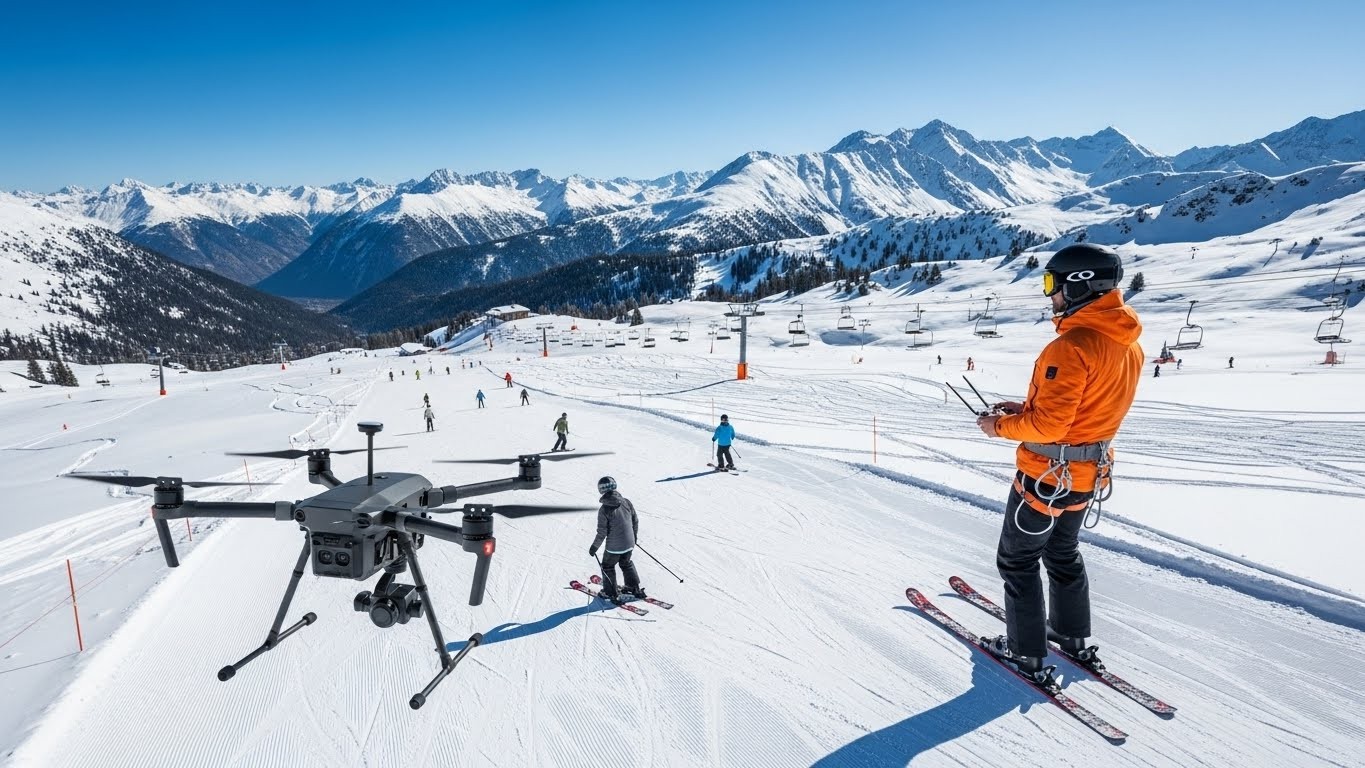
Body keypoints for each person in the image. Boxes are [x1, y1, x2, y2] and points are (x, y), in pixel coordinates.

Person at [973, 243, 1143, 684]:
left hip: (1046, 476)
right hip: (1088, 473)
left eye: (1052, 284)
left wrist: (1000, 427)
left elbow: (1049, 425)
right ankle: (1070, 636)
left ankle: (1024, 651)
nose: (1050, 295)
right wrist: (1022, 408)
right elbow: (1088, 408)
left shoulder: (1071, 346)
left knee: (1017, 560)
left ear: (1079, 285)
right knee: (1063, 553)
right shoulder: (1126, 344)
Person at [588, 476, 644, 603]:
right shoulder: (626, 502)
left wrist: (594, 547)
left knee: (607, 566)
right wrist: (634, 537)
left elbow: (602, 532)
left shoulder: (604, 510)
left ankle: (610, 592)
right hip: (629, 543)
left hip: (614, 547)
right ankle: (633, 587)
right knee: (626, 562)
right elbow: (635, 521)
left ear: (601, 490)